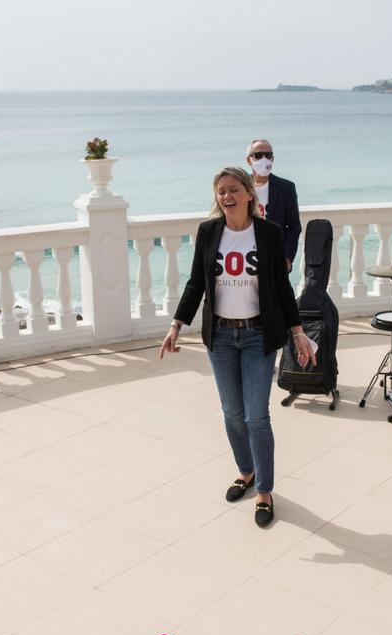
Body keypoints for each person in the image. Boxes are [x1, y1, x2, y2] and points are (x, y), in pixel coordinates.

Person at [159, 167, 316, 527]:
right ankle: (245, 472)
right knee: (231, 413)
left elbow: (282, 288)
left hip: (259, 336)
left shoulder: (269, 234)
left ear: (249, 193)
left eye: (233, 189)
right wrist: (176, 324)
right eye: (220, 191)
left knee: (256, 416)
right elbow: (196, 283)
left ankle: (263, 490)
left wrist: (298, 332)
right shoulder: (209, 231)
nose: (226, 196)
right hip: (222, 338)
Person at [246, 139, 302, 270]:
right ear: (249, 160)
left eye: (268, 155)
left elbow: (294, 227)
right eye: (259, 155)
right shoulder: (241, 186)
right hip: (246, 255)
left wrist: (287, 258)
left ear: (273, 158)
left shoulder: (286, 188)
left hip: (275, 258)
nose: (264, 159)